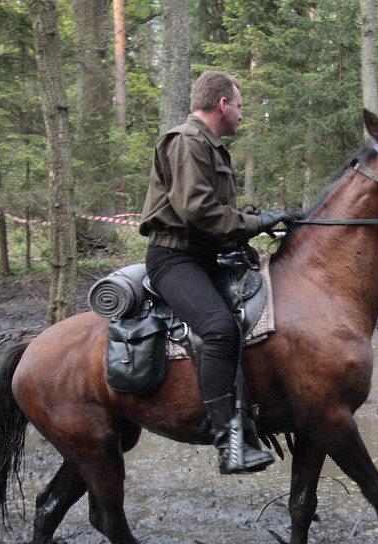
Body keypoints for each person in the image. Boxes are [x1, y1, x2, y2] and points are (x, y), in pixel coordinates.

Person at [137, 70, 294, 474]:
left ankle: (257, 418)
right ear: (223, 104)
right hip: (176, 259)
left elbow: (215, 215)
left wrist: (251, 220)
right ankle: (229, 442)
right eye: (240, 106)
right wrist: (254, 224)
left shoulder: (211, 146)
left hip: (206, 258)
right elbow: (197, 211)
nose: (242, 114)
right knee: (219, 329)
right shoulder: (187, 141)